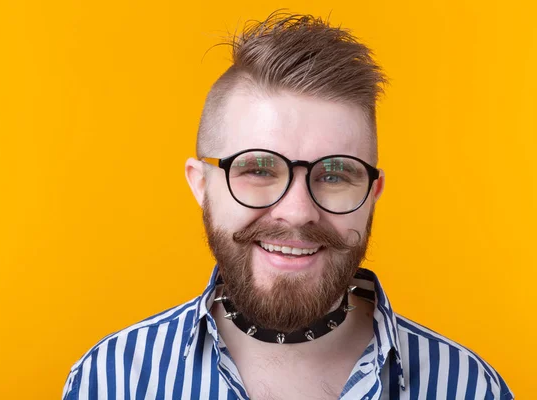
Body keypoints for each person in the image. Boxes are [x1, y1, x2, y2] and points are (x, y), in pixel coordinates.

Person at [62, 12, 513, 400]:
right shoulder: (108, 380)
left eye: (335, 174)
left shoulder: (472, 387)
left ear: (372, 194)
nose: (297, 212)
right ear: (201, 185)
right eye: (258, 169)